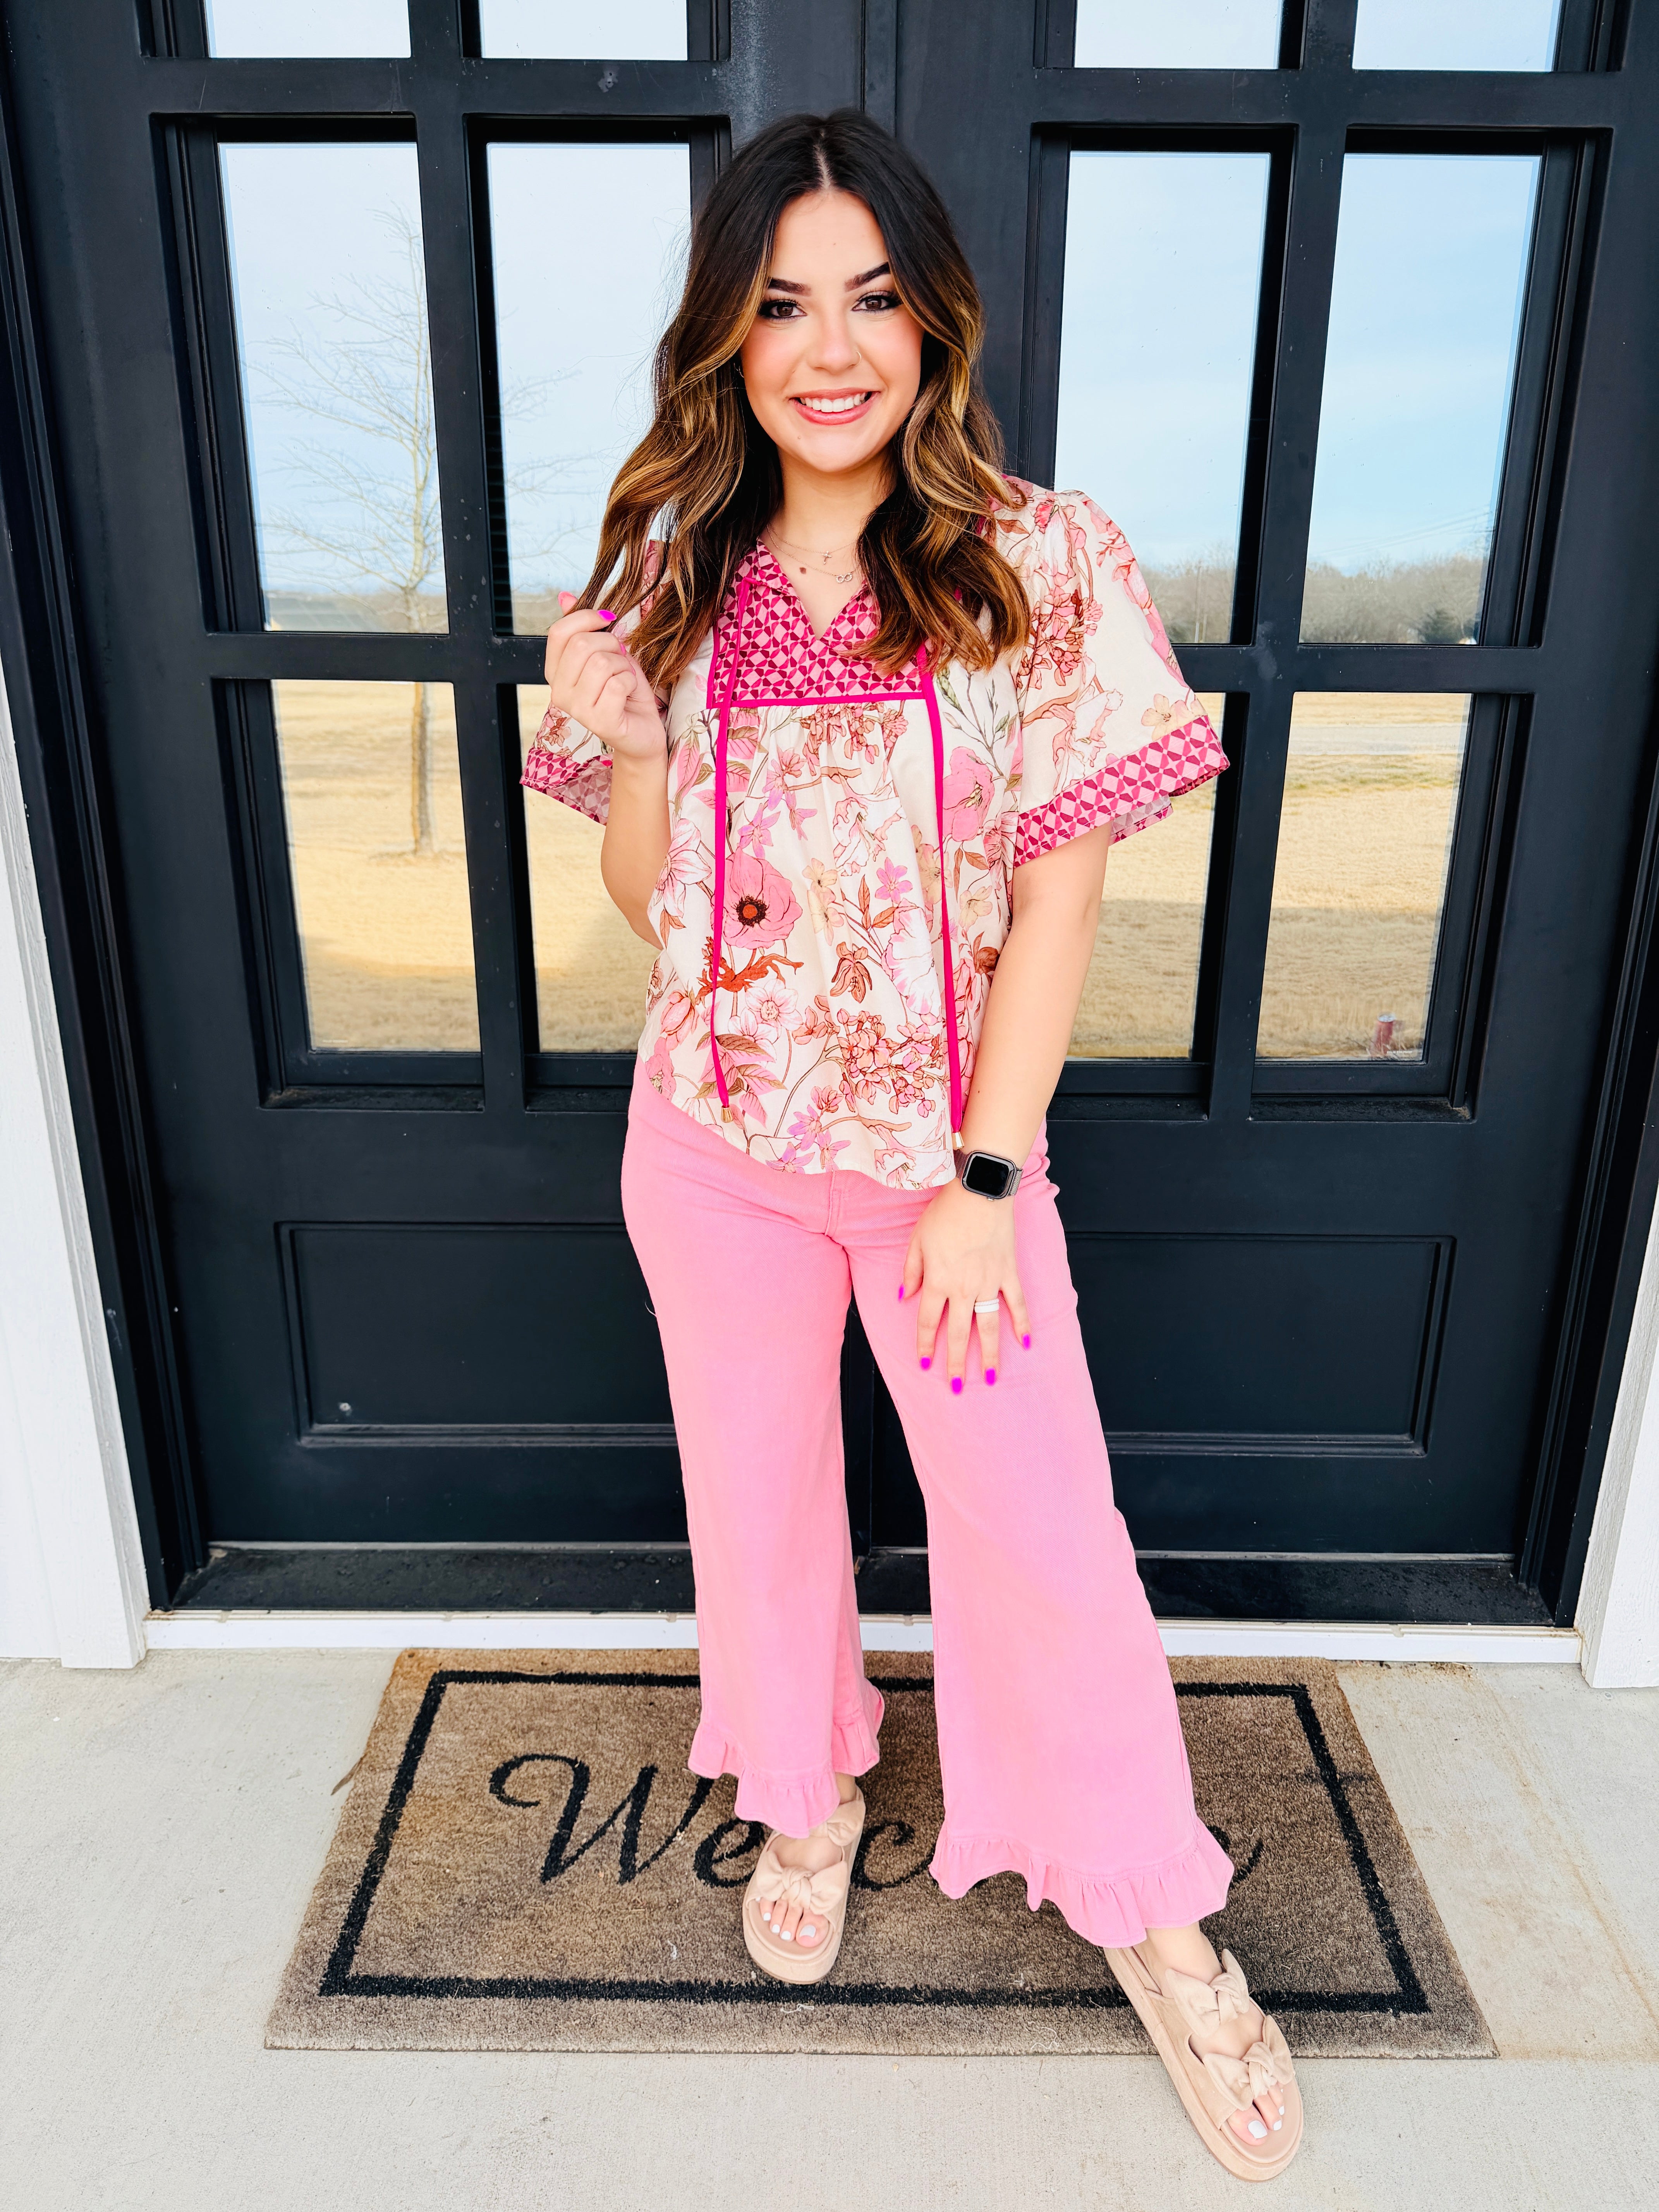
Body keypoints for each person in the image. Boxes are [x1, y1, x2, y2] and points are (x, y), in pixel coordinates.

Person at [526, 108, 1302, 2183]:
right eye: (783, 304)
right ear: (728, 333)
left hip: (946, 1173)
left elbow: (1061, 906)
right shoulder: (666, 571)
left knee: (1043, 1533)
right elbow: (654, 906)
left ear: (933, 319)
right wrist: (632, 744)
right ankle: (806, 1792)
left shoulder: (1042, 561)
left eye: (871, 298)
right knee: (754, 1499)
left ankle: (1159, 1915)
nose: (831, 347)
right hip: (709, 1145)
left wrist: (981, 1183)